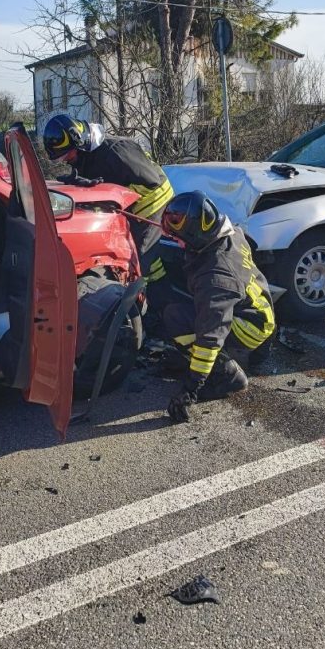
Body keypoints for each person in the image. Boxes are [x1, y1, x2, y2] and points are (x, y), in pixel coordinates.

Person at [159, 190, 276, 423]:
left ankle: (226, 375)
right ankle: (257, 350)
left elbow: (209, 337)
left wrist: (191, 389)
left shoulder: (216, 279)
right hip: (261, 311)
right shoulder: (233, 234)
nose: (176, 241)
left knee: (175, 316)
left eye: (178, 236)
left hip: (250, 327)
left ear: (193, 233)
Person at [42, 114, 173, 287]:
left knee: (143, 256)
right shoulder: (85, 155)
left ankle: (159, 295)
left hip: (152, 200)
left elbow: (151, 182)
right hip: (131, 207)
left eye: (67, 155)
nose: (66, 160)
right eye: (61, 158)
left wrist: (105, 190)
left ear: (79, 141)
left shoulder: (117, 151)